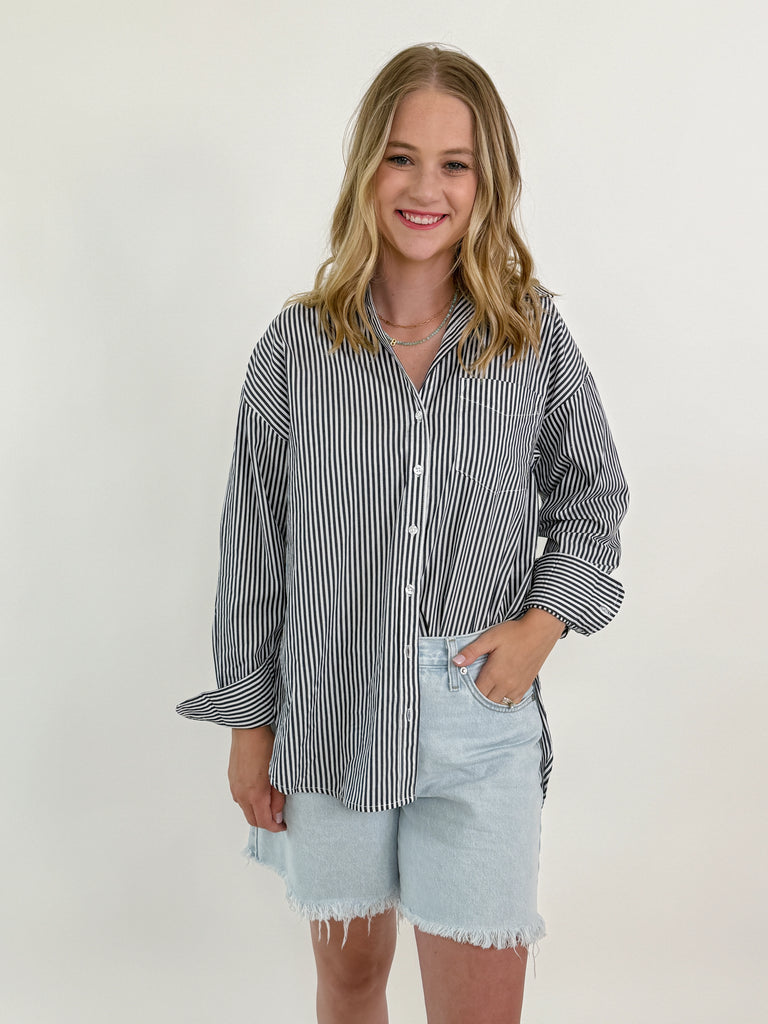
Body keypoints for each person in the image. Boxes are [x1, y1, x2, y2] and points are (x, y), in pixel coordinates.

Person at [177, 43, 629, 1024]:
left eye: (454, 163)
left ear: (487, 180)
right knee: (348, 983)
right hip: (329, 707)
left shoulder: (530, 340)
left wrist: (545, 623)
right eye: (401, 156)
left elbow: (594, 499)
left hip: (480, 721)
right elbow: (253, 555)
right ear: (365, 170)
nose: (426, 186)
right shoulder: (294, 351)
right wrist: (249, 730)